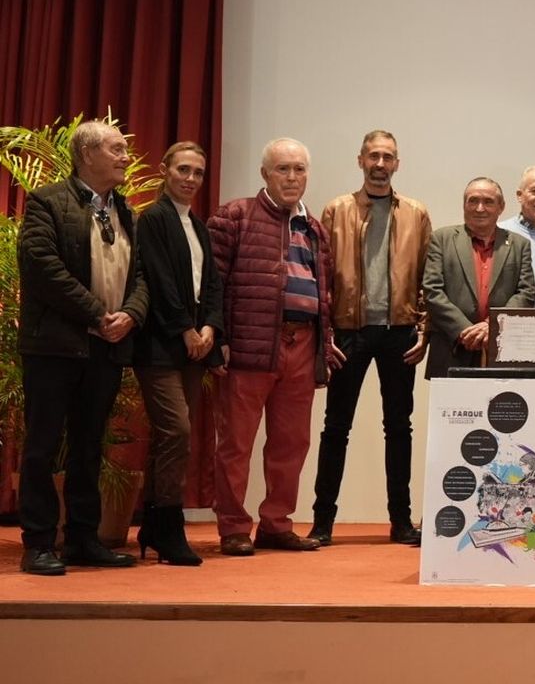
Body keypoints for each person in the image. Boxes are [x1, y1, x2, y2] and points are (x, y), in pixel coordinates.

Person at [16, 122, 149, 575]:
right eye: (116, 149)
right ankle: (37, 543)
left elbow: (142, 277)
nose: (125, 157)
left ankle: (82, 539)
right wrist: (98, 314)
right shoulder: (47, 202)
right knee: (43, 444)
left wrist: (130, 314)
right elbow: (42, 268)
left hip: (107, 347)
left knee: (89, 445)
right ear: (87, 154)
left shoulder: (126, 211)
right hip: (55, 347)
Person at [209, 138, 342, 556]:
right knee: (237, 443)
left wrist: (328, 339)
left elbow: (325, 292)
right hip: (250, 345)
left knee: (292, 441)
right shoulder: (235, 215)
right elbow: (211, 284)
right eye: (283, 169)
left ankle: (276, 523)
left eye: (299, 169)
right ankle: (233, 527)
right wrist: (219, 340)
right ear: (264, 174)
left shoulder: (316, 229)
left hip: (302, 344)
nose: (292, 177)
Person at [310, 130, 432, 548]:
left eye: (389, 157)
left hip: (400, 333)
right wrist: (325, 332)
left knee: (400, 428)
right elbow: (320, 277)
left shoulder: (416, 213)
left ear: (397, 164)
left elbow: (427, 279)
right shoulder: (336, 210)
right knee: (335, 427)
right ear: (360, 160)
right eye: (374, 156)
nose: (381, 164)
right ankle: (322, 521)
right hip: (349, 332)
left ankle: (400, 522)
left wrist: (424, 327)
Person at [131, 141, 224, 566]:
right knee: (178, 431)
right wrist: (185, 328)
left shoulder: (198, 225)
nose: (190, 179)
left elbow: (210, 286)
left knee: (170, 439)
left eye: (198, 173)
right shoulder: (152, 219)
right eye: (183, 170)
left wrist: (208, 327)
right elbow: (161, 280)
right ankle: (169, 527)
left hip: (192, 346)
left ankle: (154, 524)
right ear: (165, 170)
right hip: (160, 346)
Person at [422, 178, 535, 380]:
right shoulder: (441, 239)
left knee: (501, 410)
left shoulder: (519, 245)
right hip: (452, 349)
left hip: (501, 350)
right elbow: (432, 291)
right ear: (464, 205)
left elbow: (526, 292)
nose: (480, 208)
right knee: (451, 411)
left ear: (501, 207)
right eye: (473, 201)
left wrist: (492, 325)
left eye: (488, 201)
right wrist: (464, 330)